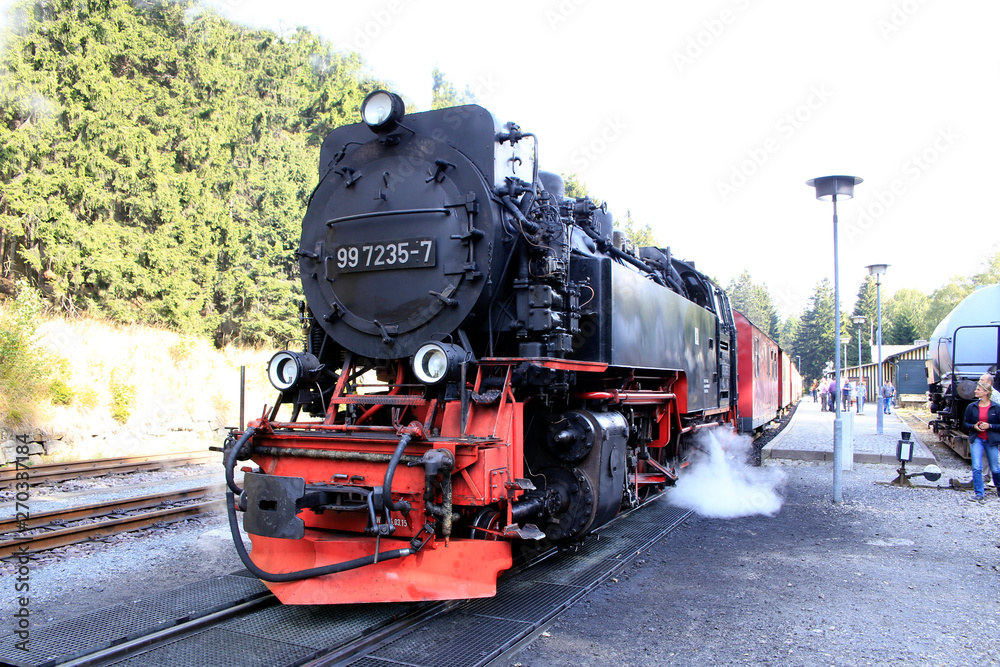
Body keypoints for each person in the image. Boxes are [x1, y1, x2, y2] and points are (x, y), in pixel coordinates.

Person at [963, 377, 1000, 501]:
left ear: (986, 392)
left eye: (978, 389)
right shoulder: (972, 407)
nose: (975, 391)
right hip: (977, 439)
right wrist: (973, 426)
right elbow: (965, 423)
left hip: (991, 440)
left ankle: (999, 488)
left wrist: (990, 426)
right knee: (977, 467)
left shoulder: (996, 408)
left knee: (995, 467)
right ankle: (979, 493)